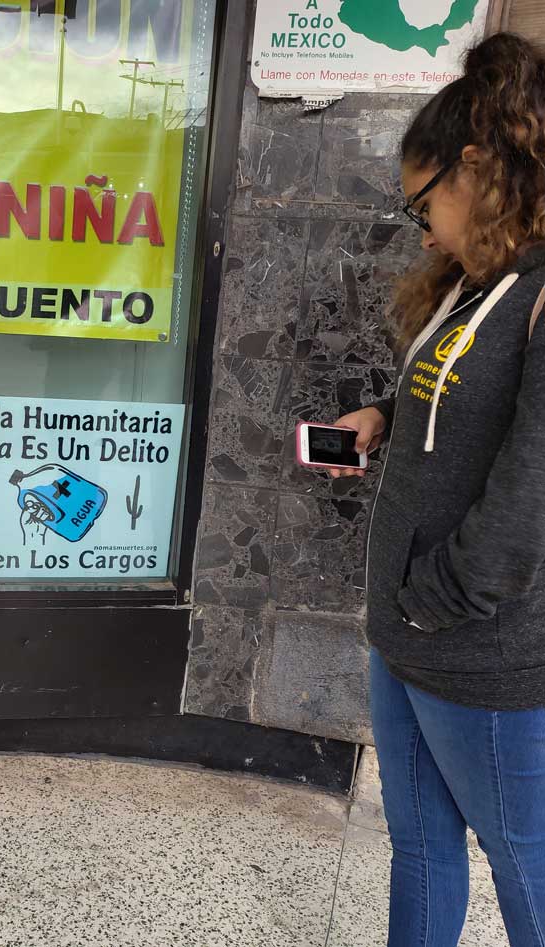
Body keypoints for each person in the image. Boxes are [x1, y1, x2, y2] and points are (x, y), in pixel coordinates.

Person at [333, 32, 545, 947]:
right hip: (407, 635)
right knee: (418, 846)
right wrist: (386, 411)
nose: (418, 226)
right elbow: (469, 405)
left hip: (480, 655)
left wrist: (435, 600)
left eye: (422, 203)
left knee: (526, 866)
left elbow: (530, 492)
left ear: (476, 170)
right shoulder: (475, 285)